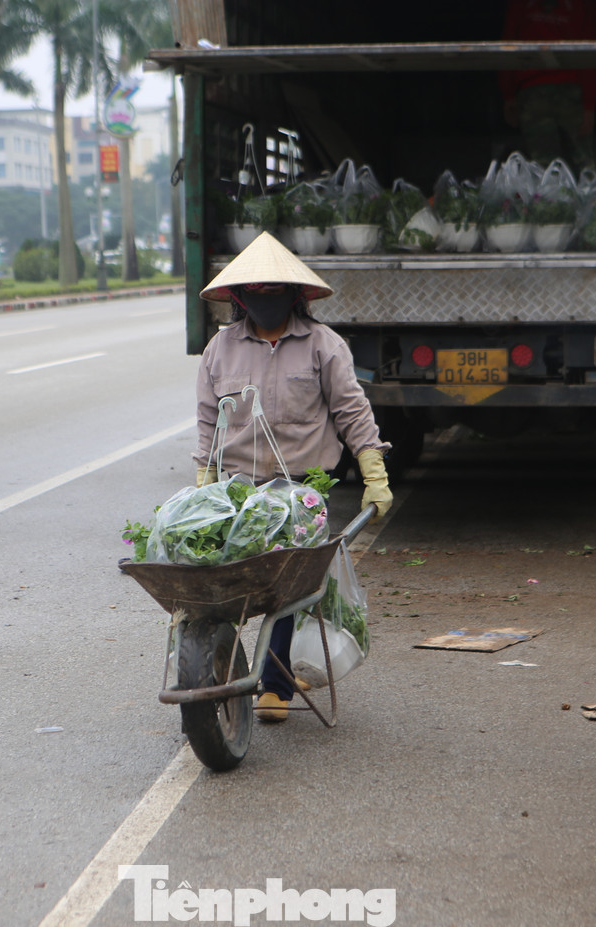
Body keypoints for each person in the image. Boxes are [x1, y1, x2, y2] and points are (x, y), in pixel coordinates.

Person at [194, 231, 393, 723]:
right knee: (229, 582)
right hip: (238, 487)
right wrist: (204, 477)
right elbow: (206, 417)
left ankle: (276, 683)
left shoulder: (324, 345)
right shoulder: (219, 350)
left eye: (275, 291)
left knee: (286, 583)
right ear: (239, 297)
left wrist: (373, 469)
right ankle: (220, 661)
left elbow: (351, 409)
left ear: (296, 295)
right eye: (255, 292)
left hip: (304, 488)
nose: (265, 300)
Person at [499, 0, 596, 172]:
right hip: (563, 90)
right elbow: (591, 48)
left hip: (537, 91)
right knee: (584, 166)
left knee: (544, 168)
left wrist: (508, 94)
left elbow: (509, 40)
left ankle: (550, 197)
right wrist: (589, 105)